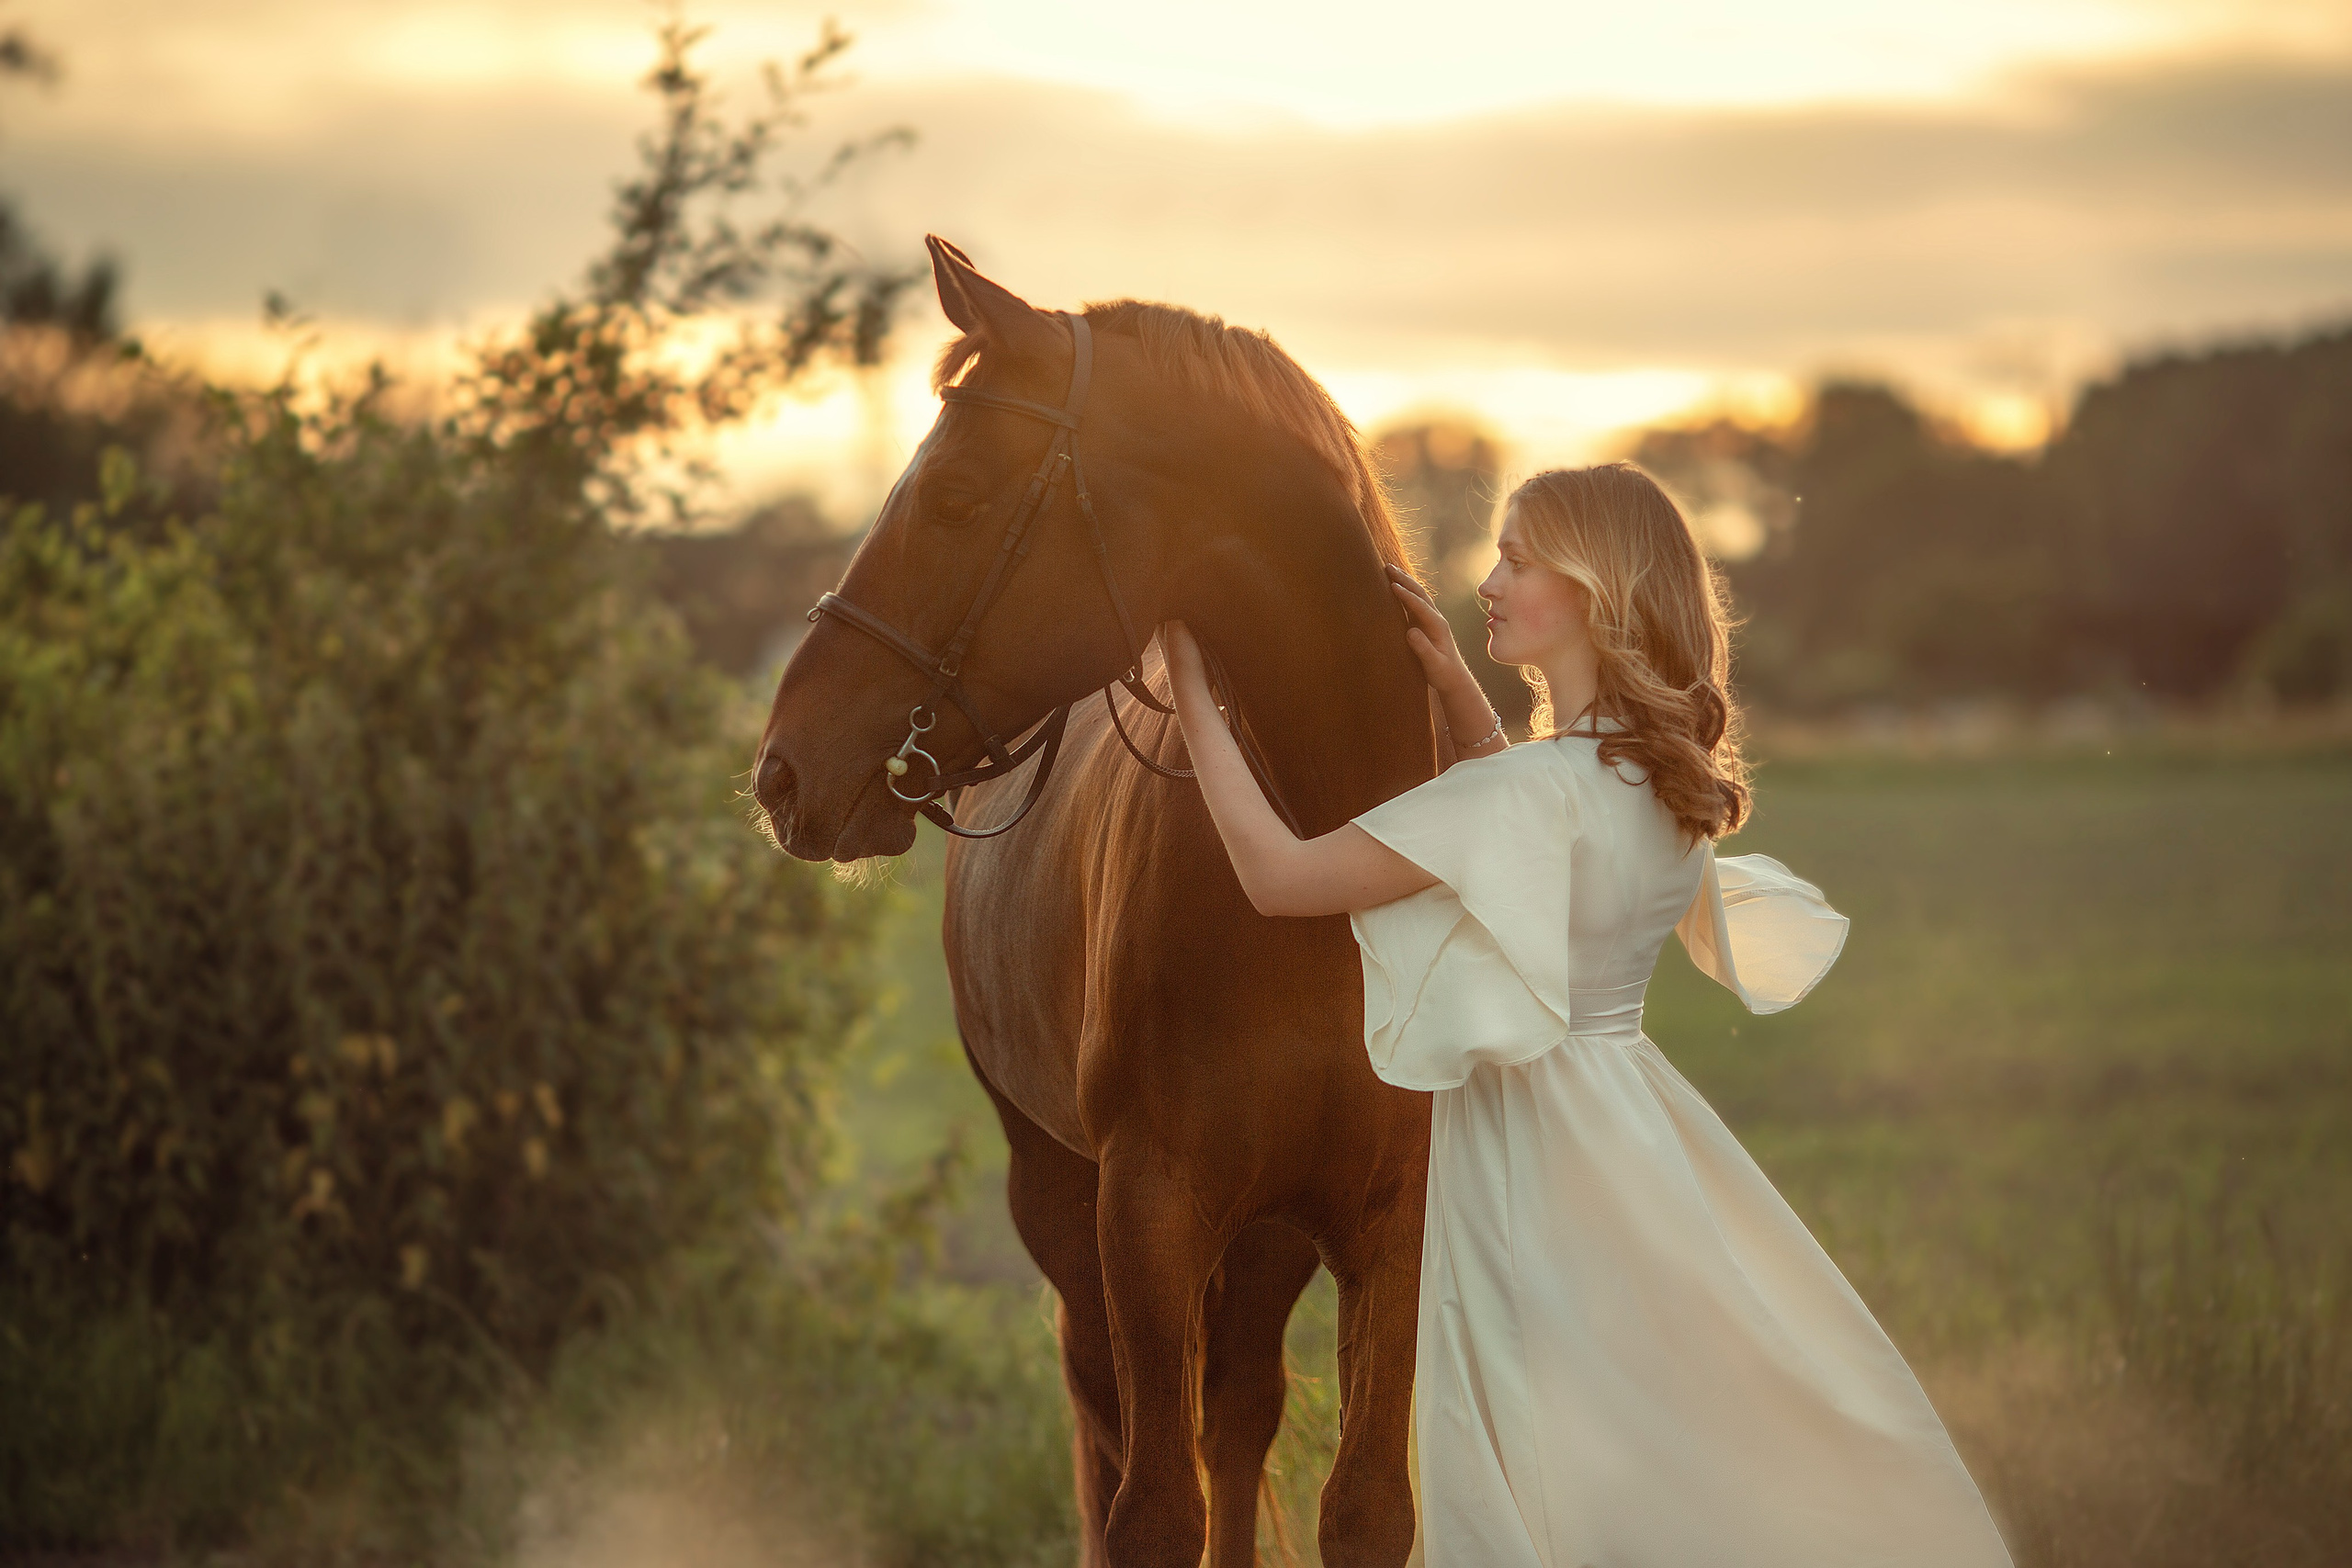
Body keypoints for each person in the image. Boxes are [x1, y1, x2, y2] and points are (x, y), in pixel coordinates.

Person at [1160, 463, 2014, 1568]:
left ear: (1595, 590)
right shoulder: (1656, 777)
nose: (1488, 581)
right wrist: (1468, 705)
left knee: (1534, 1455)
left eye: (1517, 559)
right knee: (1646, 1435)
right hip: (1629, 1132)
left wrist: (1188, 686)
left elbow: (1278, 877)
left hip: (1528, 1151)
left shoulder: (1523, 795)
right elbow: (1544, 855)